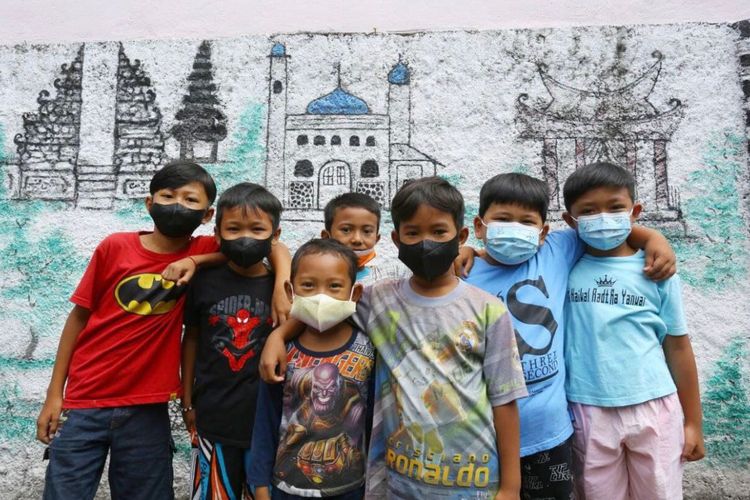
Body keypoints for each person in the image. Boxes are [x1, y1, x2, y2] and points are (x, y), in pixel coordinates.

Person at [35, 161, 290, 499]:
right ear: (149, 203)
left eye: (190, 200)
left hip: (148, 407)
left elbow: (270, 242)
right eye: (168, 196)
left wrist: (280, 282)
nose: (177, 206)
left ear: (205, 215)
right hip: (85, 400)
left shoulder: (207, 250)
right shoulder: (115, 247)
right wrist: (55, 394)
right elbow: (78, 319)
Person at [261, 177, 529, 499]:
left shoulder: (489, 311)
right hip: (399, 482)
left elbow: (505, 400)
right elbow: (325, 308)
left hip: (473, 479)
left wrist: (511, 487)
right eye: (412, 233)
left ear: (460, 236)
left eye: (439, 232)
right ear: (395, 240)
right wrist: (279, 334)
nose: (425, 241)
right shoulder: (376, 301)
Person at [462, 173, 677, 500]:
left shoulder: (556, 251)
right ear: (480, 227)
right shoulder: (461, 274)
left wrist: (653, 238)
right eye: (503, 220)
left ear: (544, 231)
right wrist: (461, 250)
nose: (515, 228)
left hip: (550, 433)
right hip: (480, 434)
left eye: (527, 221)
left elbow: (608, 226)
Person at [561, 162, 704, 500]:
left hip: (654, 406)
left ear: (634, 211)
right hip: (586, 409)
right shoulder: (564, 266)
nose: (603, 218)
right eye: (589, 211)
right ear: (571, 221)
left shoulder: (657, 270)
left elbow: (678, 347)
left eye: (615, 208)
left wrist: (694, 422)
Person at [247, 238, 373, 500]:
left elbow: (372, 421)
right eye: (308, 285)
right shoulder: (281, 351)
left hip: (350, 488)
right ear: (291, 292)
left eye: (335, 286)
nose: (320, 296)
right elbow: (265, 420)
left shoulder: (368, 348)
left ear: (355, 293)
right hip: (287, 489)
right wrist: (259, 485)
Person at [181, 182, 283, 499]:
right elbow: (192, 339)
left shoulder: (283, 290)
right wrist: (186, 401)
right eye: (234, 228)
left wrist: (283, 278)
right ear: (219, 233)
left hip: (267, 423)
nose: (245, 238)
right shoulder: (204, 282)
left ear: (274, 235)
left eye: (257, 229)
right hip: (214, 418)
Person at [321, 192, 406, 285]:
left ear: (376, 239)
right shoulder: (313, 279)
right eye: (346, 230)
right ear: (326, 237)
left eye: (366, 231)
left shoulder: (381, 283)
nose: (357, 239)